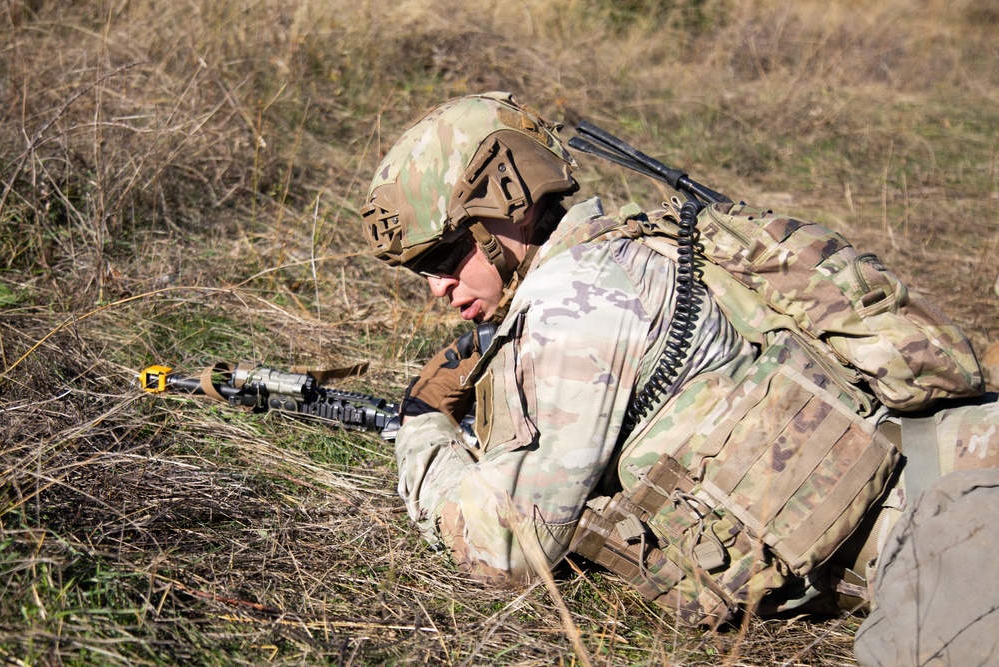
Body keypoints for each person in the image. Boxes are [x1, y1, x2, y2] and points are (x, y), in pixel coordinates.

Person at [360, 92, 999, 664]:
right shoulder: (636, 245)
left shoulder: (575, 303)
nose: (438, 287)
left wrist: (423, 428)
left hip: (954, 519)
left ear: (508, 205)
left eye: (445, 255)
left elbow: (501, 549)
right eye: (422, 271)